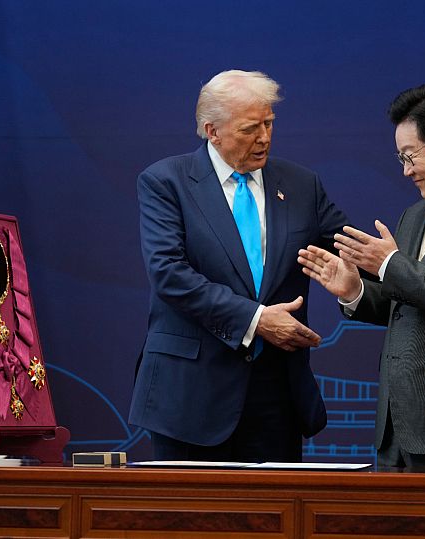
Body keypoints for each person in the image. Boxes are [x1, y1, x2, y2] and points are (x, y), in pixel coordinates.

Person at [129, 70, 348, 462]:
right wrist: (256, 319)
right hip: (189, 398)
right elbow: (168, 273)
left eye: (269, 123)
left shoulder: (301, 185)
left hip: (275, 398)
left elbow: (350, 252)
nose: (264, 137)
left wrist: (385, 265)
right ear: (212, 131)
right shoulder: (166, 182)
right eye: (250, 128)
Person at [298, 84, 425, 472]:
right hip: (396, 429)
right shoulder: (415, 216)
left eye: (411, 157)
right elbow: (407, 304)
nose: (406, 170)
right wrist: (356, 290)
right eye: (400, 158)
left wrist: (389, 265)